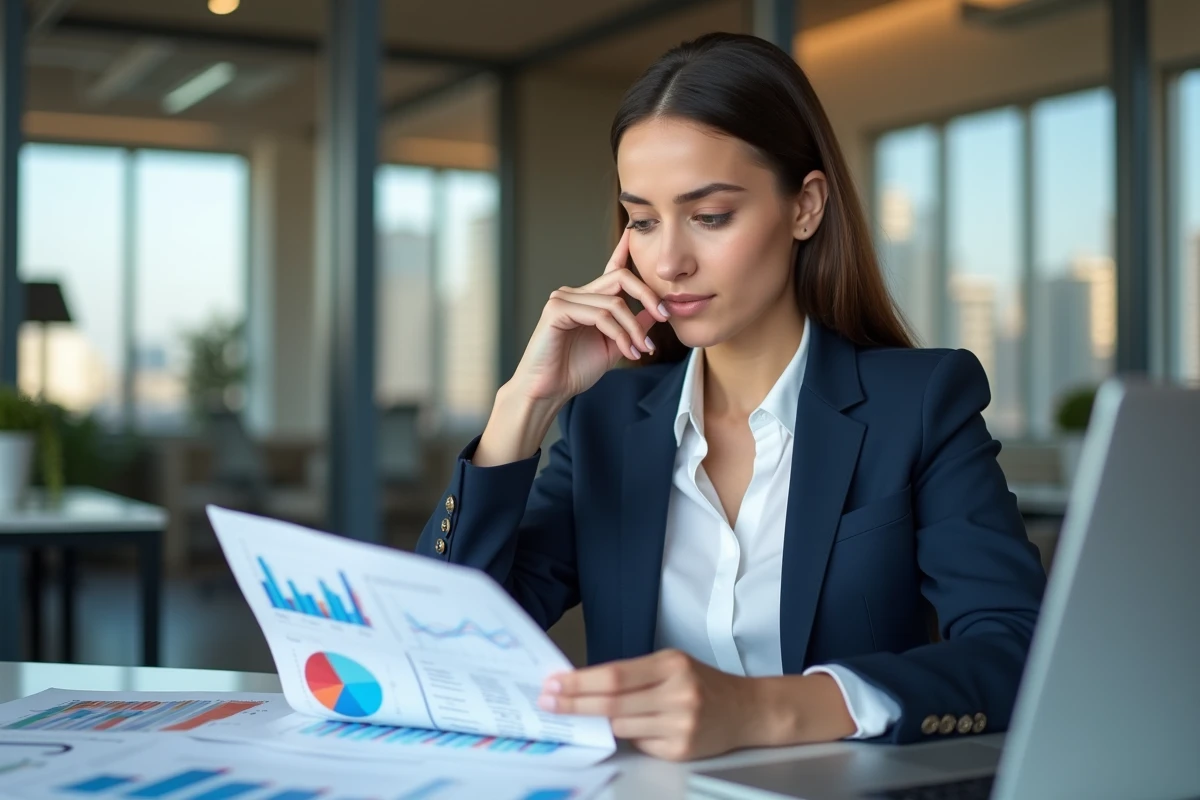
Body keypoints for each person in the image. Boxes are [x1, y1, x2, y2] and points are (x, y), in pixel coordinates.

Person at [416, 32, 1046, 761]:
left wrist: (765, 710)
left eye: (710, 216)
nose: (669, 260)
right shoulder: (608, 425)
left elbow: (1020, 652)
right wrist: (523, 403)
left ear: (805, 207)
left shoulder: (920, 404)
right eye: (643, 221)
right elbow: (444, 645)